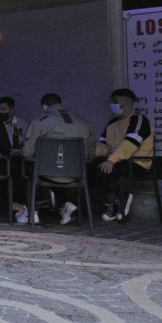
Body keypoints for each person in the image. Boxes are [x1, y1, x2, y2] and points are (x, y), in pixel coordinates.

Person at [23, 93, 96, 225]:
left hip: (48, 172)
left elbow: (27, 153)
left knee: (25, 169)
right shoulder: (84, 122)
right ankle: (66, 205)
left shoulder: (40, 122)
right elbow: (91, 155)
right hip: (78, 173)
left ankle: (31, 211)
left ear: (44, 106)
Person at [91, 88, 154, 222]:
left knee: (104, 171)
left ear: (127, 102)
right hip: (115, 161)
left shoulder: (139, 120)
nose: (112, 105)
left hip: (137, 163)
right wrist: (88, 154)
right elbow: (103, 145)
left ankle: (120, 198)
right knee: (89, 168)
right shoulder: (112, 124)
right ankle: (112, 202)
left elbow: (130, 144)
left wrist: (112, 160)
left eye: (115, 102)